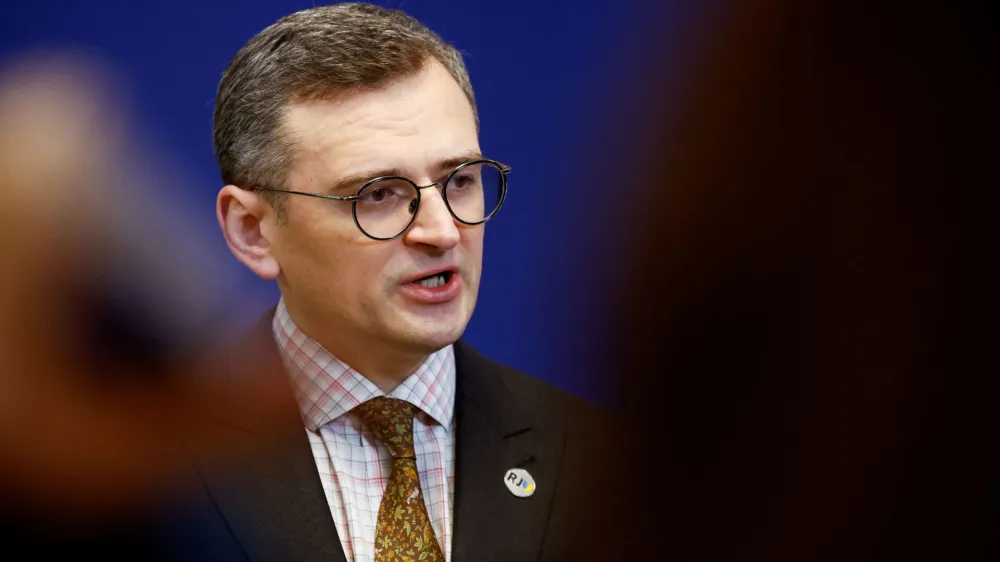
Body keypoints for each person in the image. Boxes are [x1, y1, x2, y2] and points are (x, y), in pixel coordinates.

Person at [163, 4, 610, 562]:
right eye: (377, 195)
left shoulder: (601, 465)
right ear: (253, 230)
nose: (442, 231)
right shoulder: (150, 471)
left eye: (460, 181)